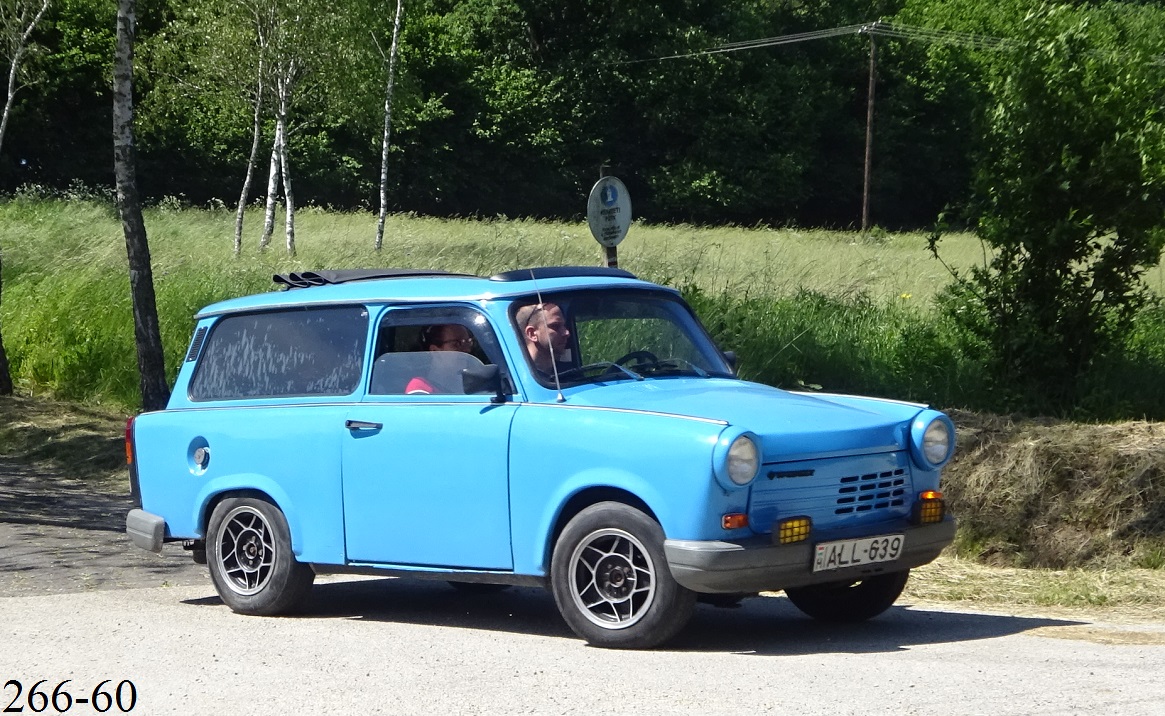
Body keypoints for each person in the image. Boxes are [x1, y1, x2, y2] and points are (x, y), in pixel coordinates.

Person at [405, 324, 474, 394]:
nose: (466, 350)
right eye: (456, 344)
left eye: (468, 343)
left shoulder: (470, 385)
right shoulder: (420, 389)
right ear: (435, 351)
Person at [515, 302, 571, 380]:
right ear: (532, 334)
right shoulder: (516, 379)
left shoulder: (570, 374)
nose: (567, 333)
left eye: (564, 326)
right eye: (555, 326)